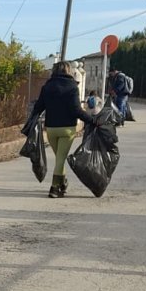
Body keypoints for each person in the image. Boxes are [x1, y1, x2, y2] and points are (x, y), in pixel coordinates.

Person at [27, 60, 95, 198]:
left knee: (60, 158)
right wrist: (92, 121)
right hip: (67, 130)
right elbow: (76, 110)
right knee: (60, 159)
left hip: (51, 129)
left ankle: (63, 182)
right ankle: (54, 187)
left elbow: (38, 107)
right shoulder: (72, 87)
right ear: (68, 71)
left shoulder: (47, 87)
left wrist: (31, 122)